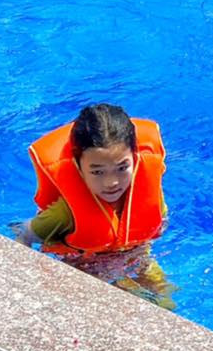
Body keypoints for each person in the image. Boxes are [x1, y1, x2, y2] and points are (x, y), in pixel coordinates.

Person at [17, 103, 175, 306]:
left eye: (122, 168)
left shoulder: (149, 191)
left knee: (165, 303)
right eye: (98, 172)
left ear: (135, 158)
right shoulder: (65, 213)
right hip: (83, 270)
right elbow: (25, 233)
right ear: (78, 166)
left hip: (136, 260)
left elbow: (160, 220)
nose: (111, 182)